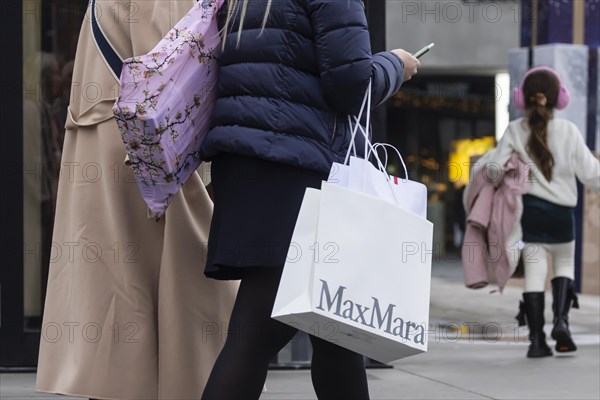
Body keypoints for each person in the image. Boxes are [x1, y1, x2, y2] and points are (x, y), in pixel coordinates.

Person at [198, 0, 420, 398]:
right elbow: (351, 85)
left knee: (336, 336)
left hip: (250, 166)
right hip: (295, 172)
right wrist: (395, 65)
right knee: (255, 337)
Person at [35, 1, 238, 399]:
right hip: (143, 162)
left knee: (116, 305)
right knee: (177, 304)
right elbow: (169, 75)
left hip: (108, 153)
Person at [488, 66, 600, 358]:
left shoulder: (514, 130)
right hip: (563, 216)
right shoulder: (568, 131)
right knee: (564, 266)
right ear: (559, 98)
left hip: (532, 214)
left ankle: (537, 342)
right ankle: (562, 322)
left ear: (522, 99)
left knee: (535, 273)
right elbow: (591, 173)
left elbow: (493, 172)